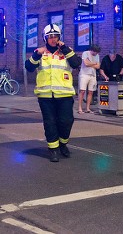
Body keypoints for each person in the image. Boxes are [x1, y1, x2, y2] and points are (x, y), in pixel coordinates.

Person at [25, 24, 82, 162]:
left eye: (55, 36)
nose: (53, 39)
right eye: (50, 37)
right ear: (45, 38)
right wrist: (35, 55)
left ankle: (63, 144)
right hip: (45, 95)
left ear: (59, 37)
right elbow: (29, 67)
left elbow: (76, 63)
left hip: (65, 94)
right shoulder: (40, 52)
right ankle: (53, 150)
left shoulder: (66, 51)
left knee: (66, 121)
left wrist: (65, 48)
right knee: (50, 122)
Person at [78, 44, 101, 113]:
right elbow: (86, 64)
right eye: (95, 52)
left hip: (93, 75)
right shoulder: (85, 53)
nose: (96, 54)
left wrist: (91, 63)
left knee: (91, 91)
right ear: (92, 50)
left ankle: (88, 108)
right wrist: (94, 63)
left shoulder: (97, 56)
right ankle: (80, 108)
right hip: (84, 74)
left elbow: (98, 67)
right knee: (82, 91)